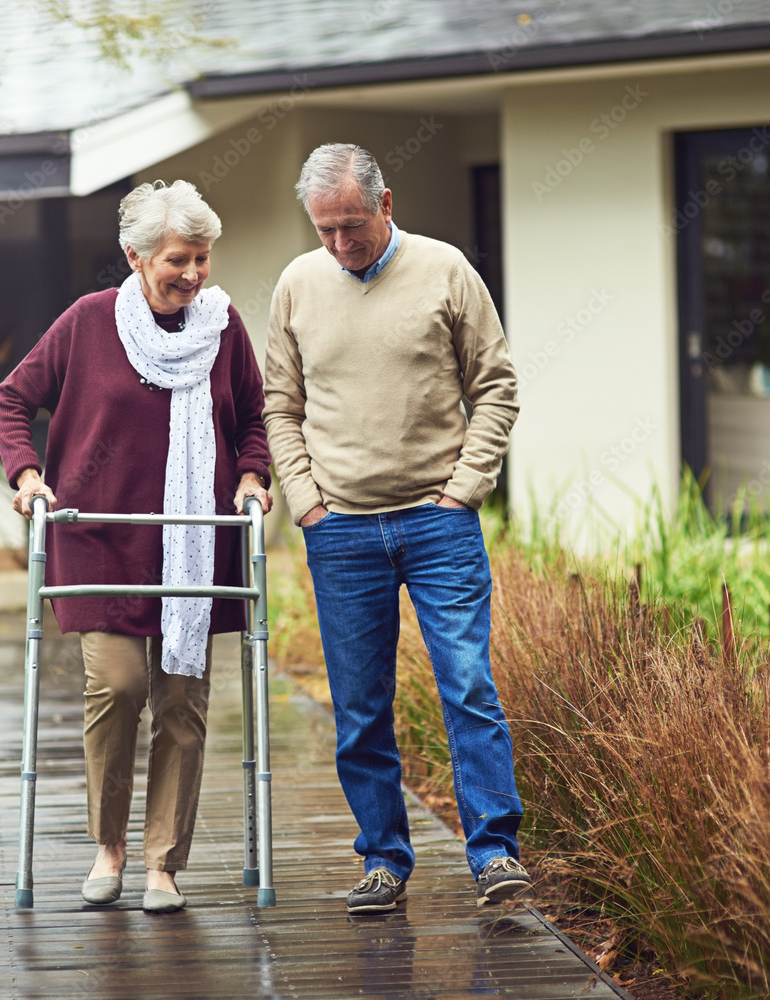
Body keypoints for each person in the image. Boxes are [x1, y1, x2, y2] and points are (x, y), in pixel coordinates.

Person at [263, 143, 531, 914]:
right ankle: (384, 857)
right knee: (358, 707)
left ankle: (493, 853)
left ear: (386, 204)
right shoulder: (297, 285)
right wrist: (307, 501)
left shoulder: (447, 271)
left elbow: (497, 386)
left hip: (438, 522)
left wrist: (464, 492)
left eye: (352, 225)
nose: (341, 245)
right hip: (341, 530)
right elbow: (280, 405)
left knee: (468, 685)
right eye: (325, 231)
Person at [0, 179, 272, 914]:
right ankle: (108, 846)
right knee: (117, 688)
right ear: (136, 256)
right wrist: (27, 475)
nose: (193, 274)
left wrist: (251, 475)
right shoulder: (88, 323)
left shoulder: (222, 326)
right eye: (179, 259)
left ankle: (162, 866)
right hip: (103, 542)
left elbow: (254, 418)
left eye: (203, 258)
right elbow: (12, 399)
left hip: (195, 545)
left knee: (182, 701)